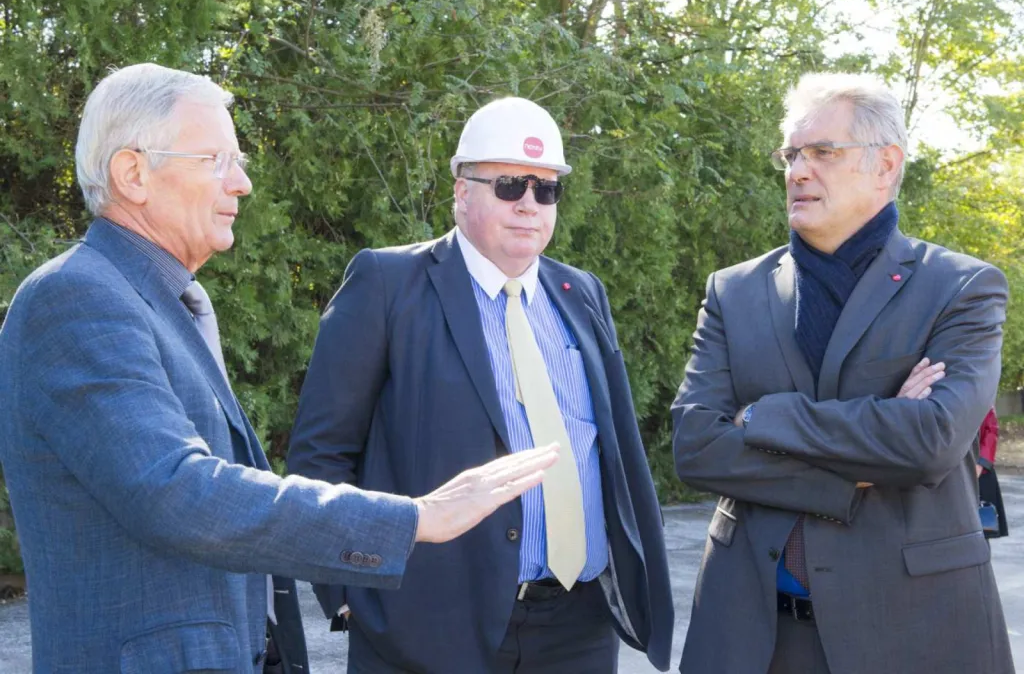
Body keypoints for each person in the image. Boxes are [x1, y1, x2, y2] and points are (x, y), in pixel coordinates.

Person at [0, 64, 558, 674]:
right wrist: (416, 517)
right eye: (215, 159)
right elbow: (176, 493)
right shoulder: (75, 298)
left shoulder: (168, 301)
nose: (240, 183)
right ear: (133, 173)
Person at [288, 96, 674, 673]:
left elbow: (612, 451)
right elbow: (322, 450)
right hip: (427, 628)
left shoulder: (581, 294)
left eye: (546, 190)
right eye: (510, 185)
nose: (529, 205)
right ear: (461, 190)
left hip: (579, 626)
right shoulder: (389, 285)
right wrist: (345, 595)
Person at [672, 72, 1014, 674]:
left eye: (823, 152)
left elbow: (929, 442)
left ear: (885, 164)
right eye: (792, 154)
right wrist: (855, 466)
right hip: (752, 634)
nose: (798, 171)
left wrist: (763, 416)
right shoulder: (734, 290)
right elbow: (696, 447)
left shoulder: (960, 287)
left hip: (912, 630)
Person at [978, 407, 1009, 538]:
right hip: (948, 471)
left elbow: (991, 430)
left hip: (980, 470)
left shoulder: (980, 392)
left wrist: (981, 464)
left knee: (982, 530)